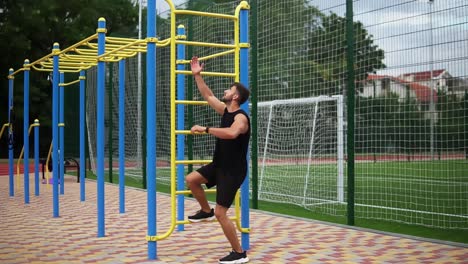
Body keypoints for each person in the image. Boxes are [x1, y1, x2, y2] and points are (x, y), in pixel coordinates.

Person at [186, 56, 250, 264]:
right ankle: (206, 210)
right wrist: (198, 76)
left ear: (236, 97)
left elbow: (232, 134)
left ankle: (239, 253)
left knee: (222, 213)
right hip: (219, 165)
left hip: (233, 171)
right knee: (192, 180)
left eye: (229, 90)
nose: (225, 91)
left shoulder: (241, 118)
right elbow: (208, 95)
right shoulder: (224, 111)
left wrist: (205, 129)